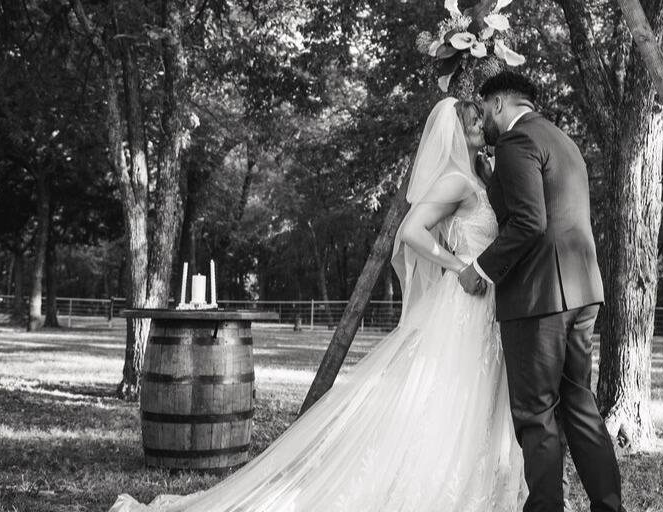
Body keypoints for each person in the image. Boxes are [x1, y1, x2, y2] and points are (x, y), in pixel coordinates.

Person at [108, 97, 528, 511]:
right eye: (472, 120)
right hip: (463, 303)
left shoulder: (480, 177)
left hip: (485, 308)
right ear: (455, 131)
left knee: (468, 396)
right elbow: (411, 230)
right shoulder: (455, 180)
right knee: (451, 394)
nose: (480, 125)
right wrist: (458, 266)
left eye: (480, 119)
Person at [458, 71, 625, 512]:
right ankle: (610, 506)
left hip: (538, 299)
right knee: (580, 406)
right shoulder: (562, 141)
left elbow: (529, 222)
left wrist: (482, 268)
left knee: (536, 417)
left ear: (499, 104)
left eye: (485, 109)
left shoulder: (516, 142)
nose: (487, 124)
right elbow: (547, 209)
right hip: (582, 291)